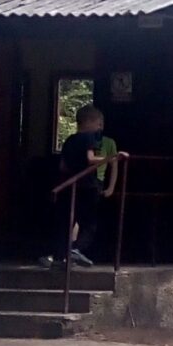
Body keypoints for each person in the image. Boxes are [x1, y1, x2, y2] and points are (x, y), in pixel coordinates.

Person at [50, 104, 118, 268]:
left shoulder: (69, 140)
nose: (100, 128)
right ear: (89, 122)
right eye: (98, 124)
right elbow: (90, 158)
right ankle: (77, 248)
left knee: (67, 222)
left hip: (69, 186)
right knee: (89, 223)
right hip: (87, 185)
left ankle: (59, 257)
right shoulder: (89, 138)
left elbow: (63, 166)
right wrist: (110, 158)